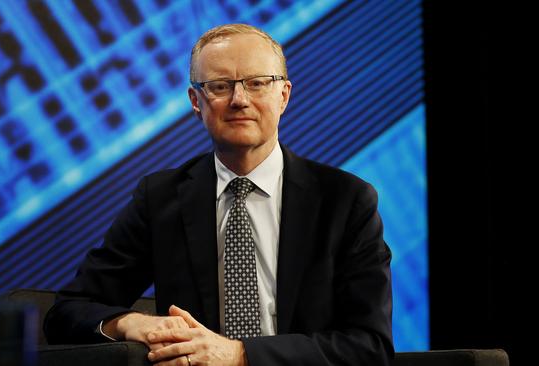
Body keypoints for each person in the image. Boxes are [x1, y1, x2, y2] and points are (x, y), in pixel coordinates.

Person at [44, 23, 393, 365]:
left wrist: (240, 355)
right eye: (221, 86)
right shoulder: (161, 198)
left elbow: (369, 346)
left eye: (257, 83)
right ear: (196, 101)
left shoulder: (346, 200)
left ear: (284, 95)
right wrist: (133, 323)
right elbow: (69, 311)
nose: (239, 100)